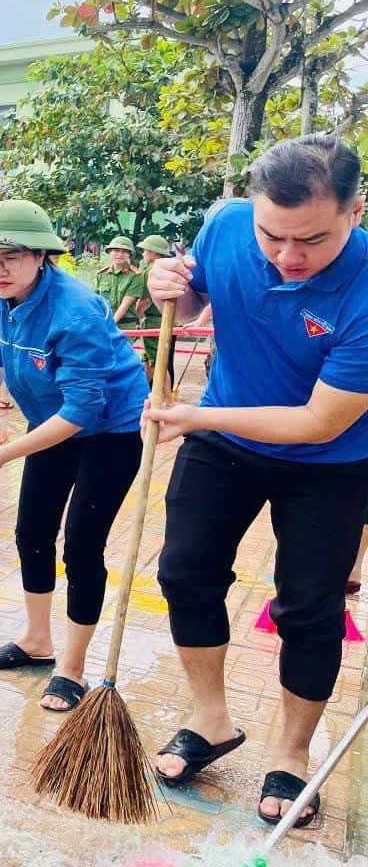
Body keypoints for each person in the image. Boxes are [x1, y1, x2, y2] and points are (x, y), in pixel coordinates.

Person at [144, 135, 368, 828]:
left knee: (309, 608)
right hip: (222, 437)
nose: (287, 255)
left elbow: (318, 422)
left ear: (356, 212)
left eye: (311, 240)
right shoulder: (228, 223)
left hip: (331, 463)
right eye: (273, 235)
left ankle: (293, 753)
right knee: (184, 573)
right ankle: (211, 721)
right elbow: (195, 297)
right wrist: (169, 288)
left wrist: (195, 414)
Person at [0, 200, 147, 712]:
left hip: (108, 429)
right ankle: (37, 639)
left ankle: (72, 667)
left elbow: (84, 411)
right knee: (31, 532)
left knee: (83, 545)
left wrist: (3, 457)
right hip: (50, 424)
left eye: (12, 257)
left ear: (42, 256)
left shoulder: (77, 310)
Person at [136, 234, 176, 392]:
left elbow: (145, 301)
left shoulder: (150, 271)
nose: (143, 254)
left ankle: (166, 400)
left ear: (153, 253)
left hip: (153, 321)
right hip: (169, 319)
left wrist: (138, 317)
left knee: (156, 363)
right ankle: (144, 395)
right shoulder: (169, 268)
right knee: (150, 360)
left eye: (145, 251)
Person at [93, 235, 144, 331]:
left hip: (125, 326)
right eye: (116, 251)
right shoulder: (101, 275)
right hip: (103, 323)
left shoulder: (135, 276)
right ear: (109, 252)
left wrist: (109, 325)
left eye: (124, 252)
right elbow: (95, 301)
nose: (120, 254)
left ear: (129, 254)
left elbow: (125, 304)